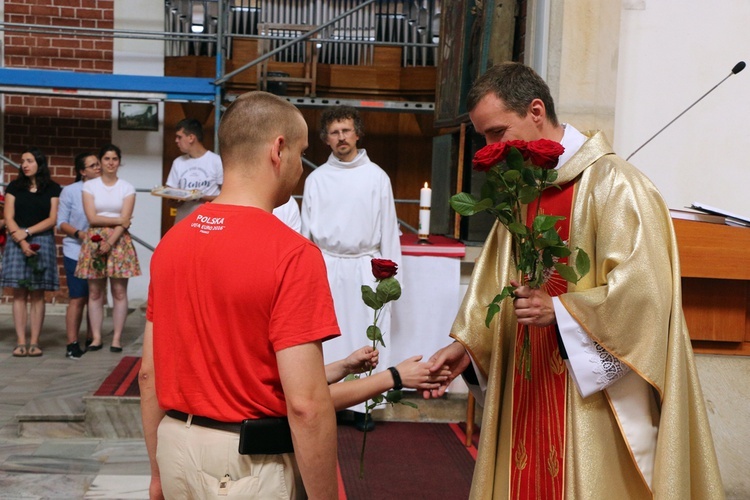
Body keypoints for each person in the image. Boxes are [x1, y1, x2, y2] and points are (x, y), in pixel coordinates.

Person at [424, 62, 724, 498]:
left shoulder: (617, 185)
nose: (490, 148)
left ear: (536, 110)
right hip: (527, 393)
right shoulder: (523, 192)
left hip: (589, 401)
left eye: (497, 133)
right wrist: (466, 348)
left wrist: (562, 310)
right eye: (484, 137)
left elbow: (647, 296)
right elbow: (495, 285)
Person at [139, 91, 342, 500]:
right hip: (248, 465)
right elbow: (305, 404)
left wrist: (157, 470)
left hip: (176, 446)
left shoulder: (173, 241)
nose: (300, 170)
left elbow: (149, 374)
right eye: (301, 154)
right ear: (278, 150)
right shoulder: (292, 254)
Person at [301, 105, 402, 431]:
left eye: (346, 130)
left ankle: (365, 406)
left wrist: (391, 277)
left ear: (357, 133)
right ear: (325, 139)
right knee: (329, 337)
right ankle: (329, 401)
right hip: (327, 267)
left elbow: (388, 230)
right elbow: (305, 232)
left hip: (364, 267)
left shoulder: (377, 177)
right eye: (334, 132)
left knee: (365, 334)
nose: (341, 137)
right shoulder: (316, 179)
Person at [75, 144, 140, 353]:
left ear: (119, 162)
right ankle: (95, 337)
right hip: (94, 239)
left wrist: (110, 241)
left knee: (119, 291)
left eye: (114, 159)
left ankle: (117, 338)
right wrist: (120, 219)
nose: (111, 163)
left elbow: (125, 221)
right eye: (106, 159)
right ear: (100, 162)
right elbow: (92, 217)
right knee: (95, 292)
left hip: (118, 241)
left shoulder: (127, 187)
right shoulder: (90, 187)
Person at [1, 148, 61, 358]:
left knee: (37, 293)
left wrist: (27, 233)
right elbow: (8, 216)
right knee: (19, 292)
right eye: (22, 161)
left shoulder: (52, 188)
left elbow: (52, 219)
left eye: (29, 160)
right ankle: (20, 342)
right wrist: (20, 238)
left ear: (39, 163)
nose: (24, 164)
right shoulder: (15, 186)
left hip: (41, 240)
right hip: (17, 241)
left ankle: (34, 341)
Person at [57, 152, 101, 359]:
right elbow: (61, 222)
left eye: (98, 164)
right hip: (75, 248)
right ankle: (72, 342)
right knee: (78, 296)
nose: (98, 168)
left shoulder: (105, 188)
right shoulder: (71, 191)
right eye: (92, 166)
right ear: (82, 171)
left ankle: (93, 338)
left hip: (99, 250)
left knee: (96, 295)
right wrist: (79, 234)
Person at [165, 118, 223, 223]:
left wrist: (199, 197)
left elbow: (226, 196)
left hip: (208, 223)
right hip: (183, 223)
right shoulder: (178, 162)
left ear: (191, 137)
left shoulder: (216, 161)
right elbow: (170, 199)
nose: (176, 141)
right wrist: (175, 199)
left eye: (179, 137)